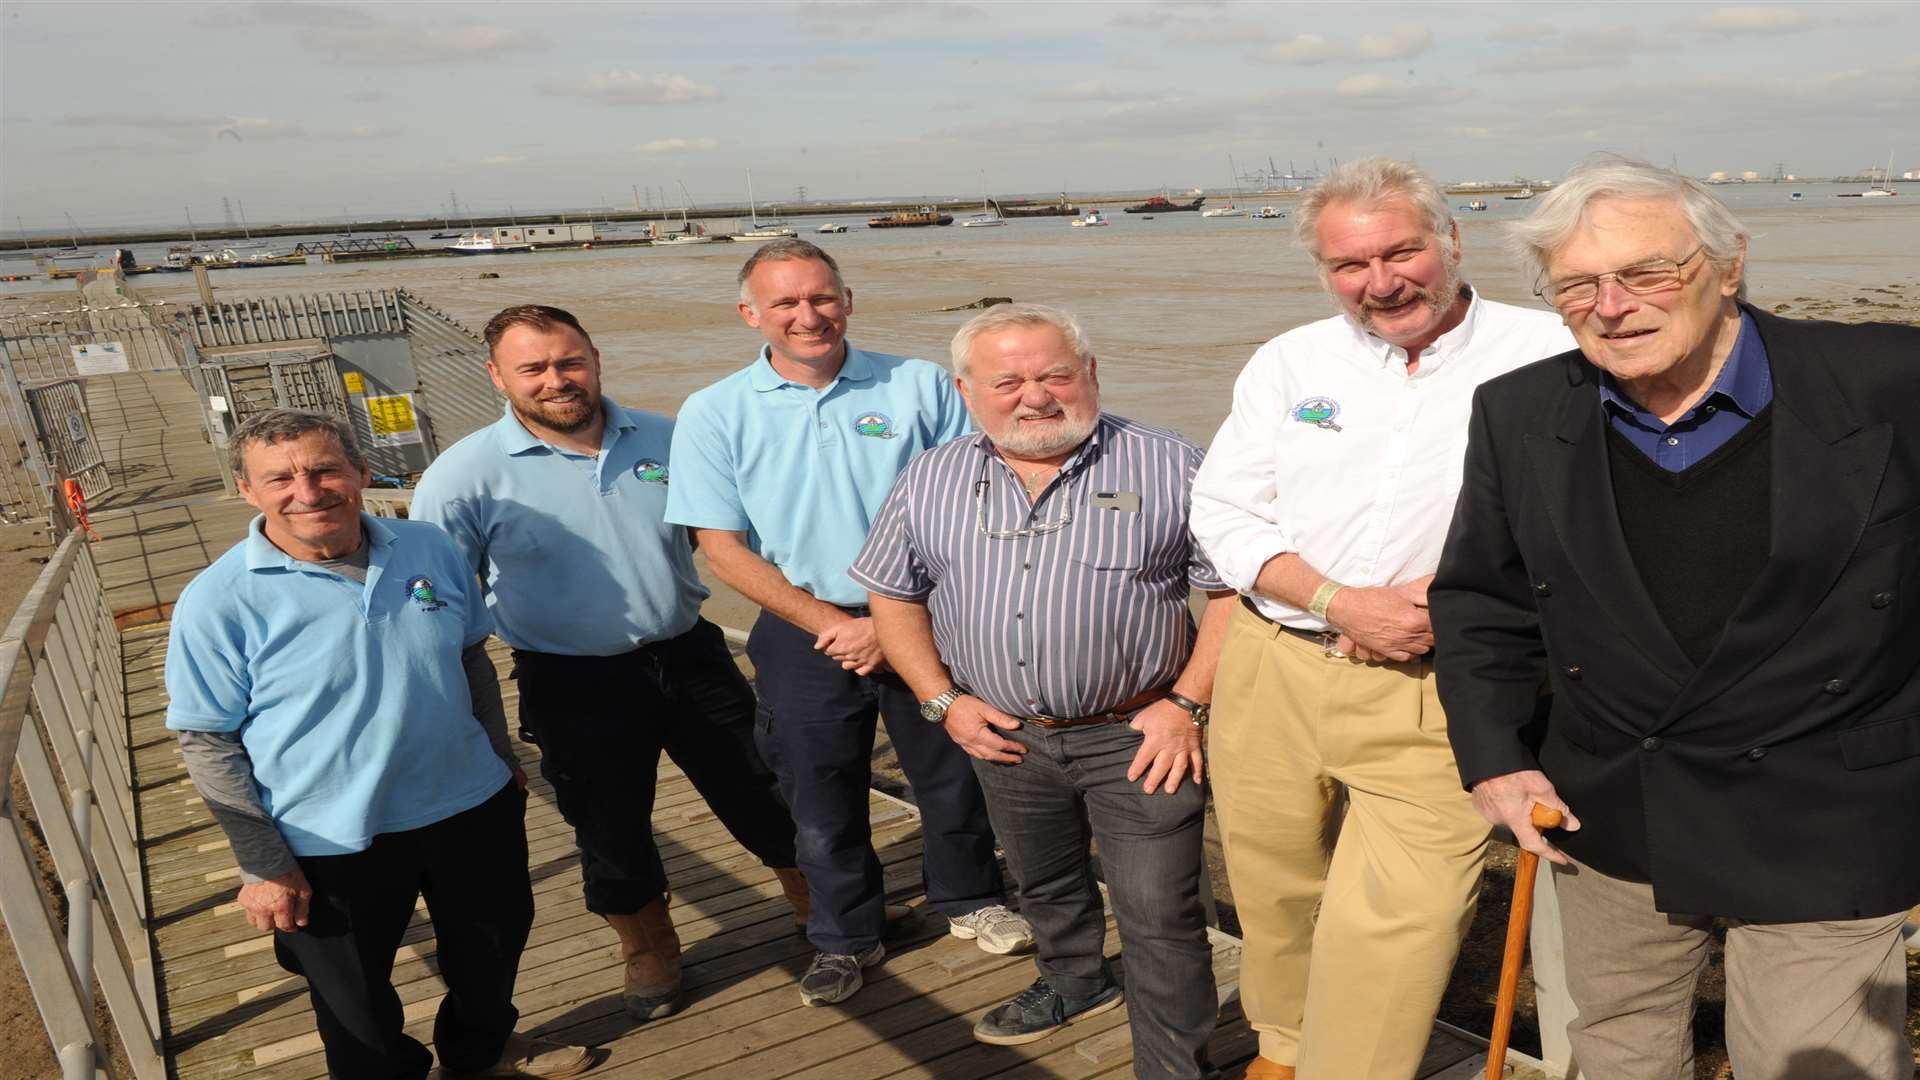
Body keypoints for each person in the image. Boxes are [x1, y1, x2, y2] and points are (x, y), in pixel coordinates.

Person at [1432, 154, 1920, 1080]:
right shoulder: (1517, 412)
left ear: (1728, 264)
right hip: (1611, 811)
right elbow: (1480, 600)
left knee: (1816, 1066)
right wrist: (1494, 757)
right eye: (1578, 283)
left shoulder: (1888, 380)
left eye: (1648, 272)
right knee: (1617, 1052)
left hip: (1827, 811)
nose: (1612, 305)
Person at [1189, 158, 1576, 1080]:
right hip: (1275, 661)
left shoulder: (1551, 351)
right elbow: (1224, 510)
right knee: (1275, 885)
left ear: (1451, 240)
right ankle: (1283, 1045)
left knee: (1405, 914)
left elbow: (1586, 516)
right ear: (1325, 273)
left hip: (1445, 684)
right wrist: (1335, 599)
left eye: (1401, 251)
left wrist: (1450, 604)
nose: (1381, 282)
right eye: (1350, 265)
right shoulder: (1291, 360)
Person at [851, 304, 1235, 1078]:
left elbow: (1232, 594)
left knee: (1161, 914)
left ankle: (1174, 1068)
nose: (1035, 396)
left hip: (1139, 736)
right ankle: (1073, 980)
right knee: (1044, 880)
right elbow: (893, 596)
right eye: (1009, 381)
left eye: (1055, 374)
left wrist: (1188, 704)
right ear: (966, 392)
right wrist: (941, 701)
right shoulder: (931, 475)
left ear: (1090, 374)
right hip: (1003, 735)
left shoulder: (1173, 464)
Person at [165, 409, 591, 1080]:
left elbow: (471, 656)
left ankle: (479, 1057)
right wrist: (264, 862)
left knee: (492, 954)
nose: (308, 492)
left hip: (469, 806)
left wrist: (502, 755)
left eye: (325, 469)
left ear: (362, 473)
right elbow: (207, 738)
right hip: (325, 838)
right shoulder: (218, 599)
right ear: (246, 490)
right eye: (280, 478)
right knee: (355, 1009)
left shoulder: (428, 547)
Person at [410, 305, 805, 1022]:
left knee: (764, 786)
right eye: (533, 368)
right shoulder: (460, 477)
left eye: (569, 361)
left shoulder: (669, 436)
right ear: (497, 376)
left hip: (691, 656)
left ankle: (821, 909)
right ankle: (649, 948)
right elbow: (440, 605)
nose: (556, 379)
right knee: (608, 826)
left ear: (595, 357)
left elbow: (734, 538)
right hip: (569, 678)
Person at [664, 238, 1031, 1007]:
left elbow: (969, 505)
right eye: (787, 302)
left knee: (955, 769)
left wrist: (895, 616)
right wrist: (832, 620)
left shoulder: (920, 385)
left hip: (929, 615)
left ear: (848, 299)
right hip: (804, 627)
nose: (808, 315)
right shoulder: (714, 411)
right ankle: (844, 934)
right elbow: (720, 548)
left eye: (822, 296)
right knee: (818, 790)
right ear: (750, 313)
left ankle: (969, 898)